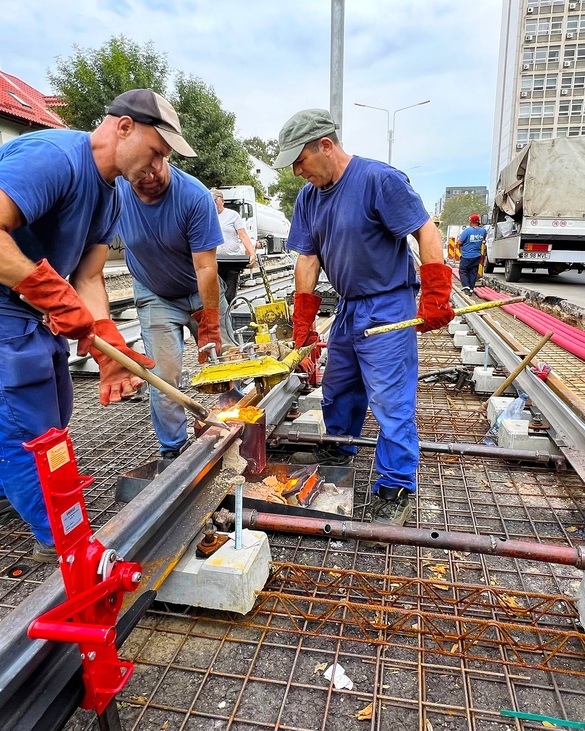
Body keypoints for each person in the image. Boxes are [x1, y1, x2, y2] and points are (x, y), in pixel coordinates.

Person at [0, 87, 194, 561]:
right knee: (31, 429)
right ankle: (67, 547)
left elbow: (87, 276)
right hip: (9, 305)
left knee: (59, 406)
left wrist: (105, 341)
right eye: (155, 152)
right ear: (123, 127)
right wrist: (48, 292)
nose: (156, 168)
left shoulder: (111, 197)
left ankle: (15, 488)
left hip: (25, 308)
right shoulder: (55, 159)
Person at [273, 108, 454, 529]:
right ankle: (340, 447)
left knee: (391, 402)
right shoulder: (308, 197)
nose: (298, 172)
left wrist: (435, 293)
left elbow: (426, 231)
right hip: (349, 305)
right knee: (340, 388)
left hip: (387, 303)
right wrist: (303, 322)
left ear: (325, 145)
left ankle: (396, 487)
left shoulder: (378, 180)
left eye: (299, 161)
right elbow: (308, 256)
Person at [116, 160, 234, 459]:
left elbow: (206, 266)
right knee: (164, 376)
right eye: (140, 171)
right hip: (155, 292)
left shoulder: (192, 196)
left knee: (225, 363)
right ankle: (174, 448)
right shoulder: (114, 192)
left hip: (200, 289)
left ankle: (235, 425)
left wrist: (210, 321)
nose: (151, 176)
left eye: (156, 165)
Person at [212, 188, 257, 303]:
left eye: (214, 200)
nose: (213, 203)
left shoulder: (233, 215)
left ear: (222, 201)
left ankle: (229, 316)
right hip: (215, 260)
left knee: (229, 294)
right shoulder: (208, 216)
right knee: (215, 294)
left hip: (232, 260)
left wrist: (252, 253)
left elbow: (242, 235)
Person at [457, 214, 487, 294]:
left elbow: (459, 242)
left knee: (463, 271)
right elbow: (483, 240)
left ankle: (466, 286)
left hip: (466, 255)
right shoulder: (483, 231)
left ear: (471, 221)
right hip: (477, 255)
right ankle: (471, 288)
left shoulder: (467, 231)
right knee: (473, 272)